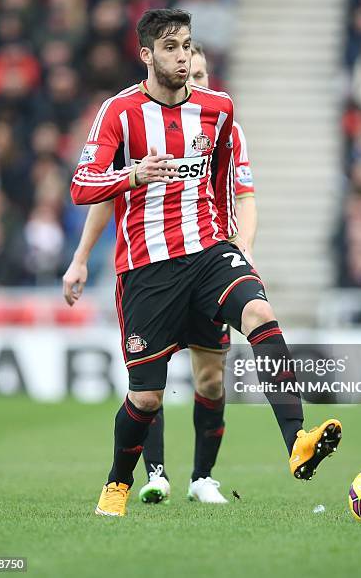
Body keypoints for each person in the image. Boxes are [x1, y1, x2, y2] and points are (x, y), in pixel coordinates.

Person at [69, 8, 342, 517]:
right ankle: (117, 483)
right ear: (147, 55)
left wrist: (232, 242)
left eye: (187, 46)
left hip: (209, 251)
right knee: (146, 399)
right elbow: (81, 186)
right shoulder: (119, 112)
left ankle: (297, 440)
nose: (182, 57)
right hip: (148, 268)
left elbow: (222, 183)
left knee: (260, 315)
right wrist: (132, 176)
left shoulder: (219, 109)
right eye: (171, 48)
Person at [63, 42, 257, 505]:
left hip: (206, 262)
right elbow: (107, 194)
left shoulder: (224, 128)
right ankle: (154, 473)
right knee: (153, 380)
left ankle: (203, 477)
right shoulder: (143, 120)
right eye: (193, 69)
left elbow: (244, 194)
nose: (196, 78)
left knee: (210, 377)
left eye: (205, 74)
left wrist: (241, 246)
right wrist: (81, 257)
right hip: (152, 266)